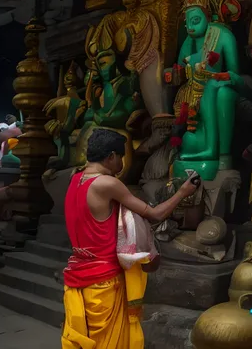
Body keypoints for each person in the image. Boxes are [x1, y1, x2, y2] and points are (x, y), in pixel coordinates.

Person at [62, 128, 198, 349]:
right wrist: (182, 192)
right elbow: (155, 214)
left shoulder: (75, 179)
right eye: (122, 157)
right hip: (104, 280)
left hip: (78, 277)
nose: (123, 163)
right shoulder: (107, 183)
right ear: (111, 157)